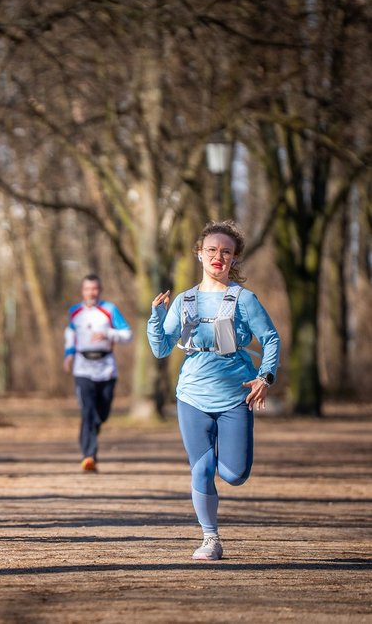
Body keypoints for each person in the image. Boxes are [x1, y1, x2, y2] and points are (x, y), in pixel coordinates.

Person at [147, 220, 280, 561]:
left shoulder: (244, 299)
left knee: (234, 474)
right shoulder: (184, 300)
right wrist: (155, 318)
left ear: (235, 259)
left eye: (226, 252)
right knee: (201, 469)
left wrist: (265, 377)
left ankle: (225, 462)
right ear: (199, 254)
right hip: (191, 395)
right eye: (211, 250)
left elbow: (270, 339)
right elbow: (162, 348)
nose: (218, 257)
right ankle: (210, 538)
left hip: (236, 394)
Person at [63, 274, 132, 472]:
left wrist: (109, 333)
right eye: (87, 289)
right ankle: (89, 456)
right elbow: (70, 334)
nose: (91, 293)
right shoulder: (75, 312)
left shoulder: (109, 310)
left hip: (106, 368)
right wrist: (68, 354)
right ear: (82, 291)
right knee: (87, 411)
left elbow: (127, 334)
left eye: (94, 289)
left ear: (99, 290)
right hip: (82, 367)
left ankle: (93, 431)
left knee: (101, 414)